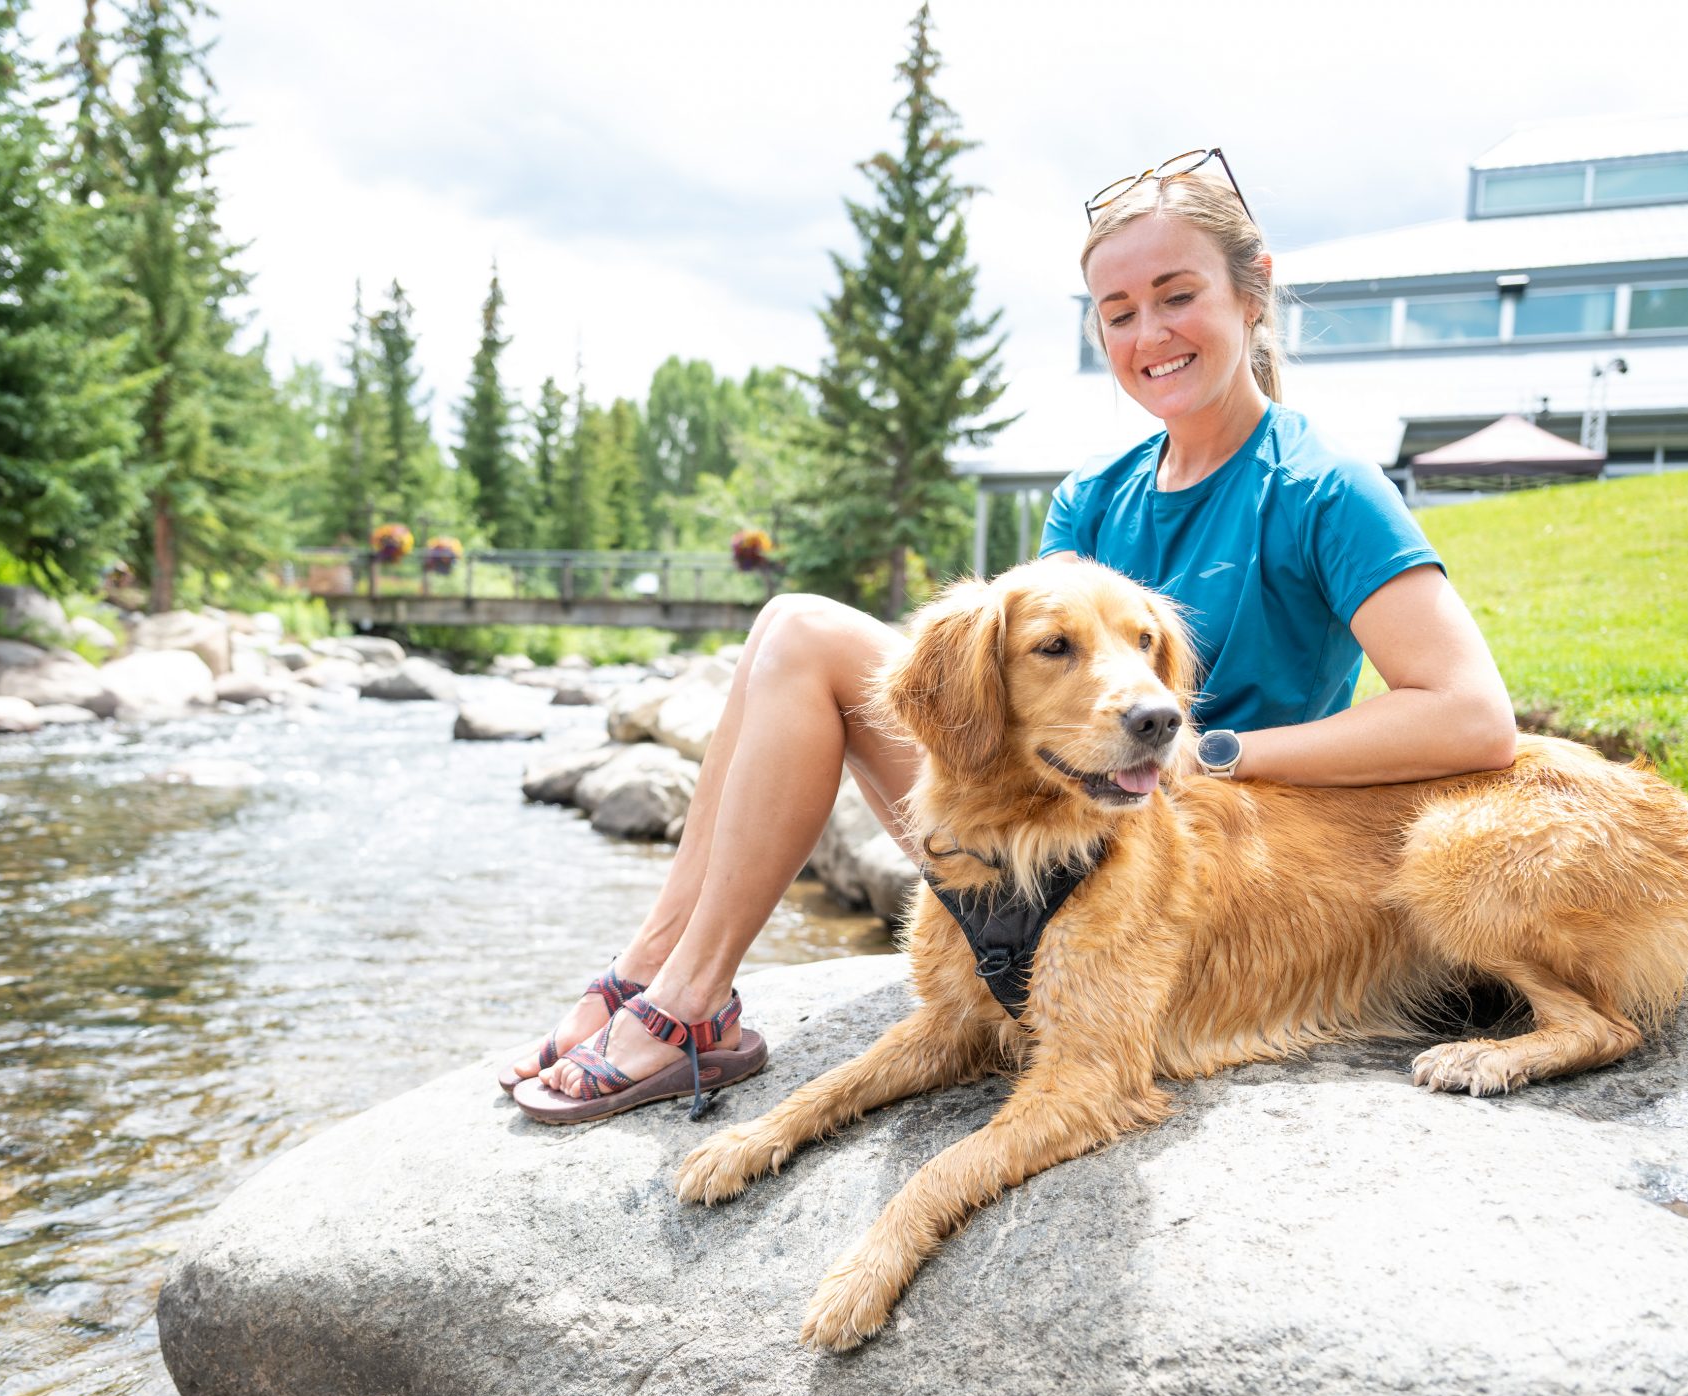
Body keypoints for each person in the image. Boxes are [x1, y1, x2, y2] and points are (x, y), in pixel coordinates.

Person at [507, 148, 1518, 1120]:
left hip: (1196, 865)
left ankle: (685, 1004)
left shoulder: (1320, 487)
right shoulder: (1094, 495)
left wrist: (1211, 753)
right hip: (1055, 831)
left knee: (805, 627)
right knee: (790, 629)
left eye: (1176, 295)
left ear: (1250, 296)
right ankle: (658, 969)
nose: (1148, 333)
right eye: (1117, 313)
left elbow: (1473, 718)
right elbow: (1018, 701)